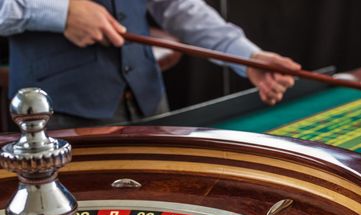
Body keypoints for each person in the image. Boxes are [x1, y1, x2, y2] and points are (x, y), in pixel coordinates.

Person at [0, 0, 300, 128]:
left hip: (149, 100)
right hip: (60, 111)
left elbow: (176, 6)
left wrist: (246, 56)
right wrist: (61, 13)